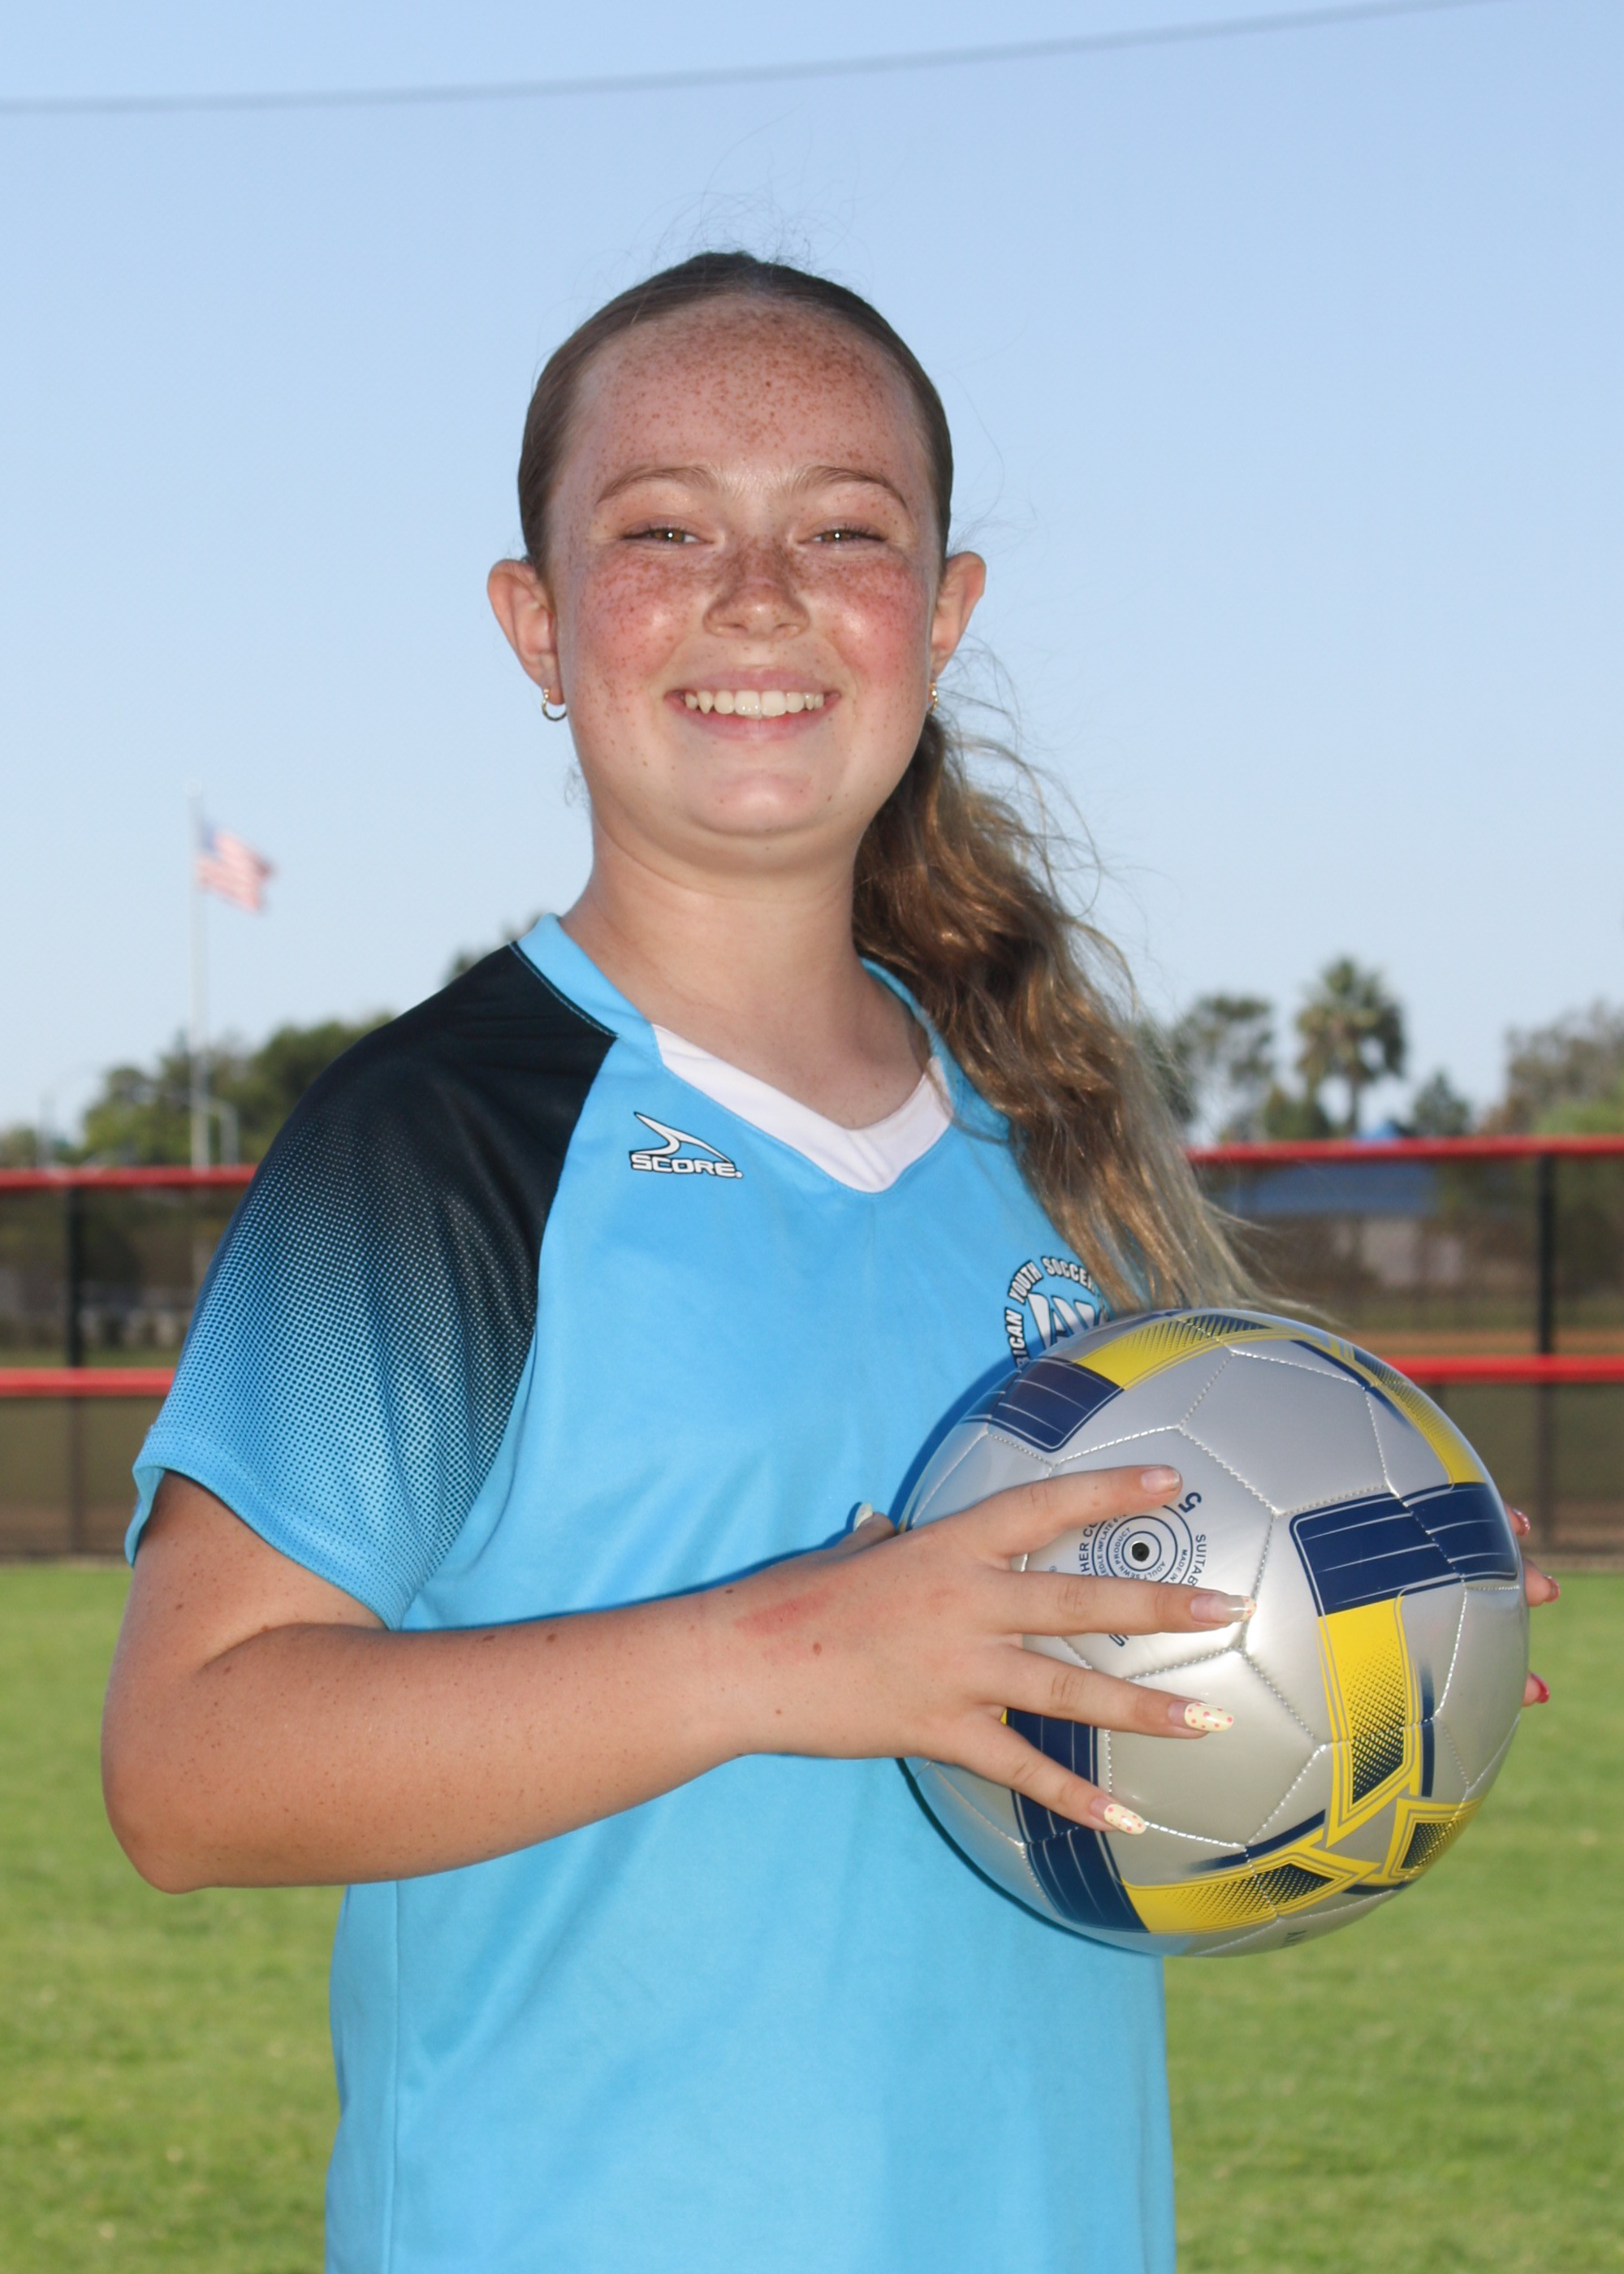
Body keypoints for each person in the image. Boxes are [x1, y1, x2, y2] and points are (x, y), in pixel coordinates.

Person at [102, 253, 1556, 2274]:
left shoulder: (1046, 1130)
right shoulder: (438, 1142)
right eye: (663, 529)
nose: (759, 592)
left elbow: (1079, 1682)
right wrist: (783, 1652)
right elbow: (186, 1767)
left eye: (844, 531)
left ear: (940, 615)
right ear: (536, 622)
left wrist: (1342, 1617)